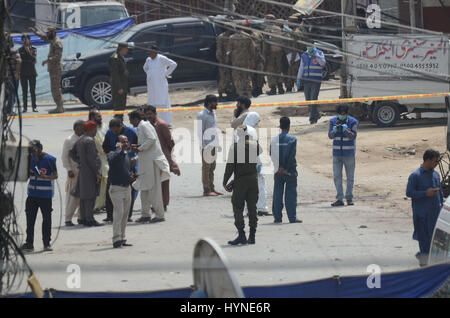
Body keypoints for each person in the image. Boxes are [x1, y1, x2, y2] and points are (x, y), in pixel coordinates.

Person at [128, 111, 170, 223]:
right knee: (144, 189)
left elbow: (152, 139)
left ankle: (160, 215)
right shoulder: (141, 127)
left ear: (135, 119)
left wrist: (140, 148)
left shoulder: (144, 126)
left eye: (131, 120)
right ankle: (145, 214)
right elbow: (147, 143)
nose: (131, 123)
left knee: (154, 190)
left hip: (152, 164)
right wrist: (138, 149)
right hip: (145, 164)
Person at [223, 125, 262, 245]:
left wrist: (225, 182)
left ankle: (241, 234)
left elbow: (229, 167)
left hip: (240, 181)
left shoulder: (234, 148)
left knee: (237, 206)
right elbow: (259, 151)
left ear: (237, 135)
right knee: (252, 208)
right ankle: (252, 236)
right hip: (253, 180)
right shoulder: (255, 145)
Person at [406, 149, 443, 267]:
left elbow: (440, 194)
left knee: (435, 244)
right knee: (424, 243)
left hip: (435, 215)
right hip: (422, 216)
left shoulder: (436, 175)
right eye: (435, 161)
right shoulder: (415, 176)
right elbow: (409, 192)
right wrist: (425, 194)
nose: (436, 164)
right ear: (428, 160)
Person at [21, 140, 57, 252]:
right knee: (30, 220)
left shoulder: (50, 159)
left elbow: (55, 176)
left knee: (46, 220)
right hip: (32, 195)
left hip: (45, 196)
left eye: (34, 149)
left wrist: (44, 176)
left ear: (40, 149)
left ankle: (47, 243)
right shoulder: (29, 159)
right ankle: (29, 243)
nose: (32, 152)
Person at [143, 106, 181, 211]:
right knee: (155, 182)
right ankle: (156, 203)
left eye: (151, 114)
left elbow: (170, 142)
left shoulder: (161, 125)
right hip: (152, 157)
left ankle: (163, 204)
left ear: (155, 114)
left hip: (162, 156)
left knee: (164, 181)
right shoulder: (147, 125)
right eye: (147, 114)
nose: (149, 116)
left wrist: (166, 153)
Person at [102, 118, 138, 222]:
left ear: (121, 126)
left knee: (130, 190)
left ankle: (128, 215)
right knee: (110, 190)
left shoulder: (131, 132)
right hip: (115, 165)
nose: (114, 132)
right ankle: (110, 215)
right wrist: (115, 154)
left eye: (116, 130)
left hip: (129, 163)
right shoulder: (109, 133)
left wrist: (134, 156)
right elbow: (106, 148)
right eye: (113, 131)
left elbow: (137, 146)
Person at [69, 120, 103, 227]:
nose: (96, 131)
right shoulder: (89, 141)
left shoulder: (80, 139)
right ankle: (89, 219)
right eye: (95, 129)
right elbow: (93, 159)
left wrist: (80, 162)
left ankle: (83, 218)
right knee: (90, 196)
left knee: (83, 196)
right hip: (90, 172)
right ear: (92, 129)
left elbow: (72, 153)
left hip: (83, 171)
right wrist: (97, 172)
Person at [270, 117, 301, 224]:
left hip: (278, 171)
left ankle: (277, 217)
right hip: (290, 171)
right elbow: (291, 156)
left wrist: (279, 167)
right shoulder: (292, 139)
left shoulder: (274, 140)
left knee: (277, 193)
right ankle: (292, 217)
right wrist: (286, 168)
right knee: (291, 194)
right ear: (289, 126)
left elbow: (272, 154)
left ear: (280, 126)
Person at [328, 104, 359, 207]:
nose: (342, 115)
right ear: (338, 114)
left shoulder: (353, 122)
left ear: (347, 113)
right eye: (340, 114)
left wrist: (346, 130)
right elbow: (330, 136)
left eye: (344, 114)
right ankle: (339, 199)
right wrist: (334, 130)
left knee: (350, 177)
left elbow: (353, 137)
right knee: (337, 177)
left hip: (349, 154)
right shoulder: (333, 121)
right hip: (337, 154)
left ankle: (349, 198)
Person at [107, 135, 135, 248]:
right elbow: (112, 161)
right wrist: (120, 150)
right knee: (119, 213)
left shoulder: (127, 155)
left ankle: (122, 238)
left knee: (125, 214)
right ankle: (116, 239)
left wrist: (131, 176)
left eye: (127, 141)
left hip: (127, 187)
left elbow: (127, 170)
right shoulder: (112, 154)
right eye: (123, 141)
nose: (126, 143)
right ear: (117, 143)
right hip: (116, 189)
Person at [29, 26, 64, 114]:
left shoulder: (57, 42)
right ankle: (60, 106)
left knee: (55, 88)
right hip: (53, 68)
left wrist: (47, 60)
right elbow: (44, 38)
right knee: (55, 88)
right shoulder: (53, 40)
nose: (47, 34)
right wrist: (35, 32)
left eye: (48, 33)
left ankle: (59, 107)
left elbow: (57, 56)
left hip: (56, 68)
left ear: (53, 33)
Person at [243, 112, 270, 216]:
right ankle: (262, 208)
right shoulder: (251, 131)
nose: (257, 124)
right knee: (261, 184)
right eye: (257, 121)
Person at [143, 45, 177, 127]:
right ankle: (154, 121)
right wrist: (150, 75)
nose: (148, 53)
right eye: (148, 51)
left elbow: (174, 64)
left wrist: (166, 74)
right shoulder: (148, 60)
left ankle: (166, 123)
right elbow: (145, 68)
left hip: (161, 85)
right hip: (151, 86)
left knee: (163, 102)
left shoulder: (161, 58)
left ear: (155, 52)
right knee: (152, 102)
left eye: (150, 52)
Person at [197, 95, 222, 196]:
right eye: (215, 102)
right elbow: (199, 132)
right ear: (209, 103)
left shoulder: (213, 113)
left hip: (214, 145)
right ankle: (206, 190)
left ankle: (212, 188)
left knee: (212, 167)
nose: (216, 104)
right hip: (206, 146)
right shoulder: (201, 115)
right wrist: (204, 146)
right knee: (206, 168)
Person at [62, 120, 84, 226]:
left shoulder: (86, 138)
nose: (81, 130)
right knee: (72, 196)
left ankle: (81, 217)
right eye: (79, 128)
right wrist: (69, 170)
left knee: (83, 195)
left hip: (84, 172)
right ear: (75, 129)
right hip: (74, 172)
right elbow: (64, 156)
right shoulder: (69, 140)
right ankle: (68, 218)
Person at [296, 45, 326, 124]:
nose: (309, 48)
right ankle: (317, 114)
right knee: (308, 100)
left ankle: (312, 119)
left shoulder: (319, 53)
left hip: (316, 80)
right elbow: (301, 68)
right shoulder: (304, 55)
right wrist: (298, 79)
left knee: (313, 99)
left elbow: (323, 64)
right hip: (307, 80)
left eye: (311, 46)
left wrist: (316, 54)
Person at [88, 109, 109, 213]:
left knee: (106, 182)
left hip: (106, 158)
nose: (101, 118)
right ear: (92, 118)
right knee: (99, 183)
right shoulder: (90, 129)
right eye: (98, 116)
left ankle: (103, 204)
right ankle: (95, 206)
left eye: (100, 116)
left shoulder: (104, 126)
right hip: (97, 158)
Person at [227, 29, 254, 97]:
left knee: (237, 77)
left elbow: (228, 51)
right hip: (246, 60)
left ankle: (240, 93)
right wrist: (251, 59)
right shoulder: (247, 36)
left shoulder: (232, 38)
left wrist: (228, 59)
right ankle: (248, 93)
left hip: (236, 61)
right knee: (246, 77)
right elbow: (252, 49)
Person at [264, 18, 286, 95]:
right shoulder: (279, 29)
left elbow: (265, 43)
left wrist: (265, 54)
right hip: (280, 52)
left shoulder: (267, 29)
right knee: (279, 70)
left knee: (271, 71)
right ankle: (281, 88)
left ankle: (273, 89)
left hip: (271, 53)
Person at [285, 14, 307, 93]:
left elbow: (295, 47)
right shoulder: (301, 31)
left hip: (297, 55)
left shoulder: (295, 33)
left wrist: (292, 58)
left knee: (295, 71)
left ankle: (298, 87)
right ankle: (293, 87)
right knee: (298, 71)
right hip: (302, 54)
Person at [19, 34, 38, 112]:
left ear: (30, 40)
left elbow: (34, 58)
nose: (25, 41)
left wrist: (28, 51)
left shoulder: (33, 49)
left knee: (32, 90)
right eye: (24, 39)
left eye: (27, 39)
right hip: (23, 72)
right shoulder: (20, 50)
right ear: (22, 40)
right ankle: (25, 107)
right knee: (24, 91)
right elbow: (20, 61)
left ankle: (34, 106)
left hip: (32, 72)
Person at [109, 42, 129, 116]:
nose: (127, 51)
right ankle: (117, 123)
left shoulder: (120, 57)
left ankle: (120, 122)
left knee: (122, 106)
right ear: (122, 49)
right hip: (118, 86)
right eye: (126, 49)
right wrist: (119, 87)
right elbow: (115, 75)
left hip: (123, 85)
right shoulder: (114, 58)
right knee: (118, 107)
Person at [216, 29, 236, 100]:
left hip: (233, 61)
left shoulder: (234, 36)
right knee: (224, 78)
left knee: (233, 78)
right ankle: (220, 94)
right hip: (224, 61)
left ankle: (232, 93)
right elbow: (219, 50)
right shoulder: (221, 37)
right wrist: (221, 61)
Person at [5, 41, 21, 117]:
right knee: (12, 93)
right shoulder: (13, 51)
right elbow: (19, 61)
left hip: (6, 76)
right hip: (13, 75)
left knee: (9, 93)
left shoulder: (5, 52)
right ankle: (9, 110)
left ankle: (8, 109)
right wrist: (17, 73)